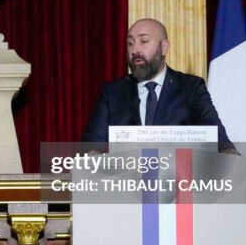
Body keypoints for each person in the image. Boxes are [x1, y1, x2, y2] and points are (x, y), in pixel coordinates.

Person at [81, 18, 237, 153]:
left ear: (164, 47)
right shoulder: (112, 93)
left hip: (179, 183)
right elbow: (92, 145)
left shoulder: (191, 87)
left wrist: (231, 157)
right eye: (130, 43)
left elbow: (218, 139)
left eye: (144, 41)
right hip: (126, 182)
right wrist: (94, 159)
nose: (135, 50)